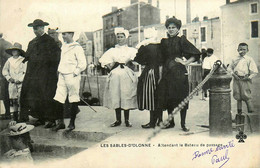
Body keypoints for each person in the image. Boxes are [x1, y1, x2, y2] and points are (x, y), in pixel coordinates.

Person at [158, 17, 201, 132]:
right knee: (168, 97)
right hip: (167, 72)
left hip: (179, 73)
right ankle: (171, 122)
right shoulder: (164, 42)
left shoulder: (181, 40)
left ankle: (183, 123)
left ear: (178, 29)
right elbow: (161, 59)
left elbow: (196, 53)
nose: (171, 29)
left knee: (181, 97)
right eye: (169, 28)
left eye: (173, 28)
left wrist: (185, 62)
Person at [20, 19, 61, 128]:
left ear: (42, 28)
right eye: (33, 28)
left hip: (46, 74)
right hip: (33, 74)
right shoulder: (32, 42)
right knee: (35, 95)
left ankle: (50, 119)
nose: (35, 31)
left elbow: (56, 57)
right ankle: (40, 117)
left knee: (47, 95)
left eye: (37, 28)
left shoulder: (50, 41)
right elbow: (27, 56)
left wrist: (50, 70)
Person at [99, 27, 138, 127]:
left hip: (126, 75)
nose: (120, 39)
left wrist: (130, 63)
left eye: (122, 37)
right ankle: (118, 120)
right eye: (118, 37)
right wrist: (110, 67)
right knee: (116, 95)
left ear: (125, 38)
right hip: (116, 75)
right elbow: (104, 61)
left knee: (126, 95)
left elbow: (136, 60)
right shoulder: (112, 51)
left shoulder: (131, 50)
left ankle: (127, 120)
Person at [53, 29, 86, 131]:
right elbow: (62, 61)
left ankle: (72, 123)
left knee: (73, 98)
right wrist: (59, 70)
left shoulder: (77, 47)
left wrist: (75, 72)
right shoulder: (64, 46)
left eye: (65, 34)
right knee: (59, 97)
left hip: (72, 75)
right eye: (62, 34)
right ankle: (60, 122)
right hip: (62, 75)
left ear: (71, 34)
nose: (63, 36)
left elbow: (83, 63)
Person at [134, 28, 163, 129]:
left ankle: (152, 122)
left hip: (150, 71)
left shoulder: (145, 47)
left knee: (151, 97)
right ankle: (160, 120)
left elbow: (138, 59)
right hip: (161, 72)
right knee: (159, 96)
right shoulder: (160, 46)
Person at [229, 43, 258, 115]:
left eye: (244, 49)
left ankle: (251, 113)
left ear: (247, 50)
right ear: (237, 50)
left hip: (245, 80)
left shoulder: (249, 59)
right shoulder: (235, 59)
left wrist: (248, 77)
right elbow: (229, 68)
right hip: (237, 79)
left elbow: (255, 71)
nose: (242, 51)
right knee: (237, 96)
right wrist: (233, 74)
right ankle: (239, 113)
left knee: (247, 95)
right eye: (240, 49)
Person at [2, 43, 27, 122]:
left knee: (21, 99)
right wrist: (9, 78)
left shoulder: (23, 60)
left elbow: (25, 72)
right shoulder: (9, 60)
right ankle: (15, 117)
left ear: (19, 51)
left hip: (20, 83)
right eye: (13, 50)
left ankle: (22, 117)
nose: (14, 51)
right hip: (12, 83)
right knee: (13, 100)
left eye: (16, 50)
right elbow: (5, 70)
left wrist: (20, 79)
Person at [0, 33, 12, 119]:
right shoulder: (7, 43)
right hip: (13, 70)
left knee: (4, 91)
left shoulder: (1, 44)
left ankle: (8, 113)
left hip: (5, 71)